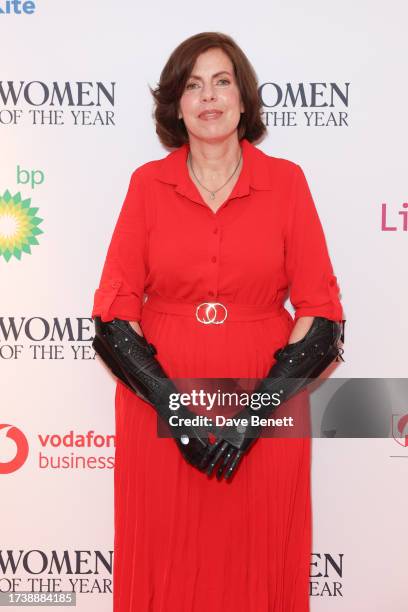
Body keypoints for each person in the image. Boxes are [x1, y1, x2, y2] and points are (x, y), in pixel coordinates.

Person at [91, 31, 344, 612]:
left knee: (258, 556)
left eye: (222, 82)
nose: (208, 97)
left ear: (243, 98)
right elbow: (112, 316)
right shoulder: (146, 185)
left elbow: (322, 316)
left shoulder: (287, 182)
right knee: (164, 555)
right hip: (160, 406)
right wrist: (177, 415)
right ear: (175, 104)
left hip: (267, 405)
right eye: (193, 85)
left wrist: (251, 421)